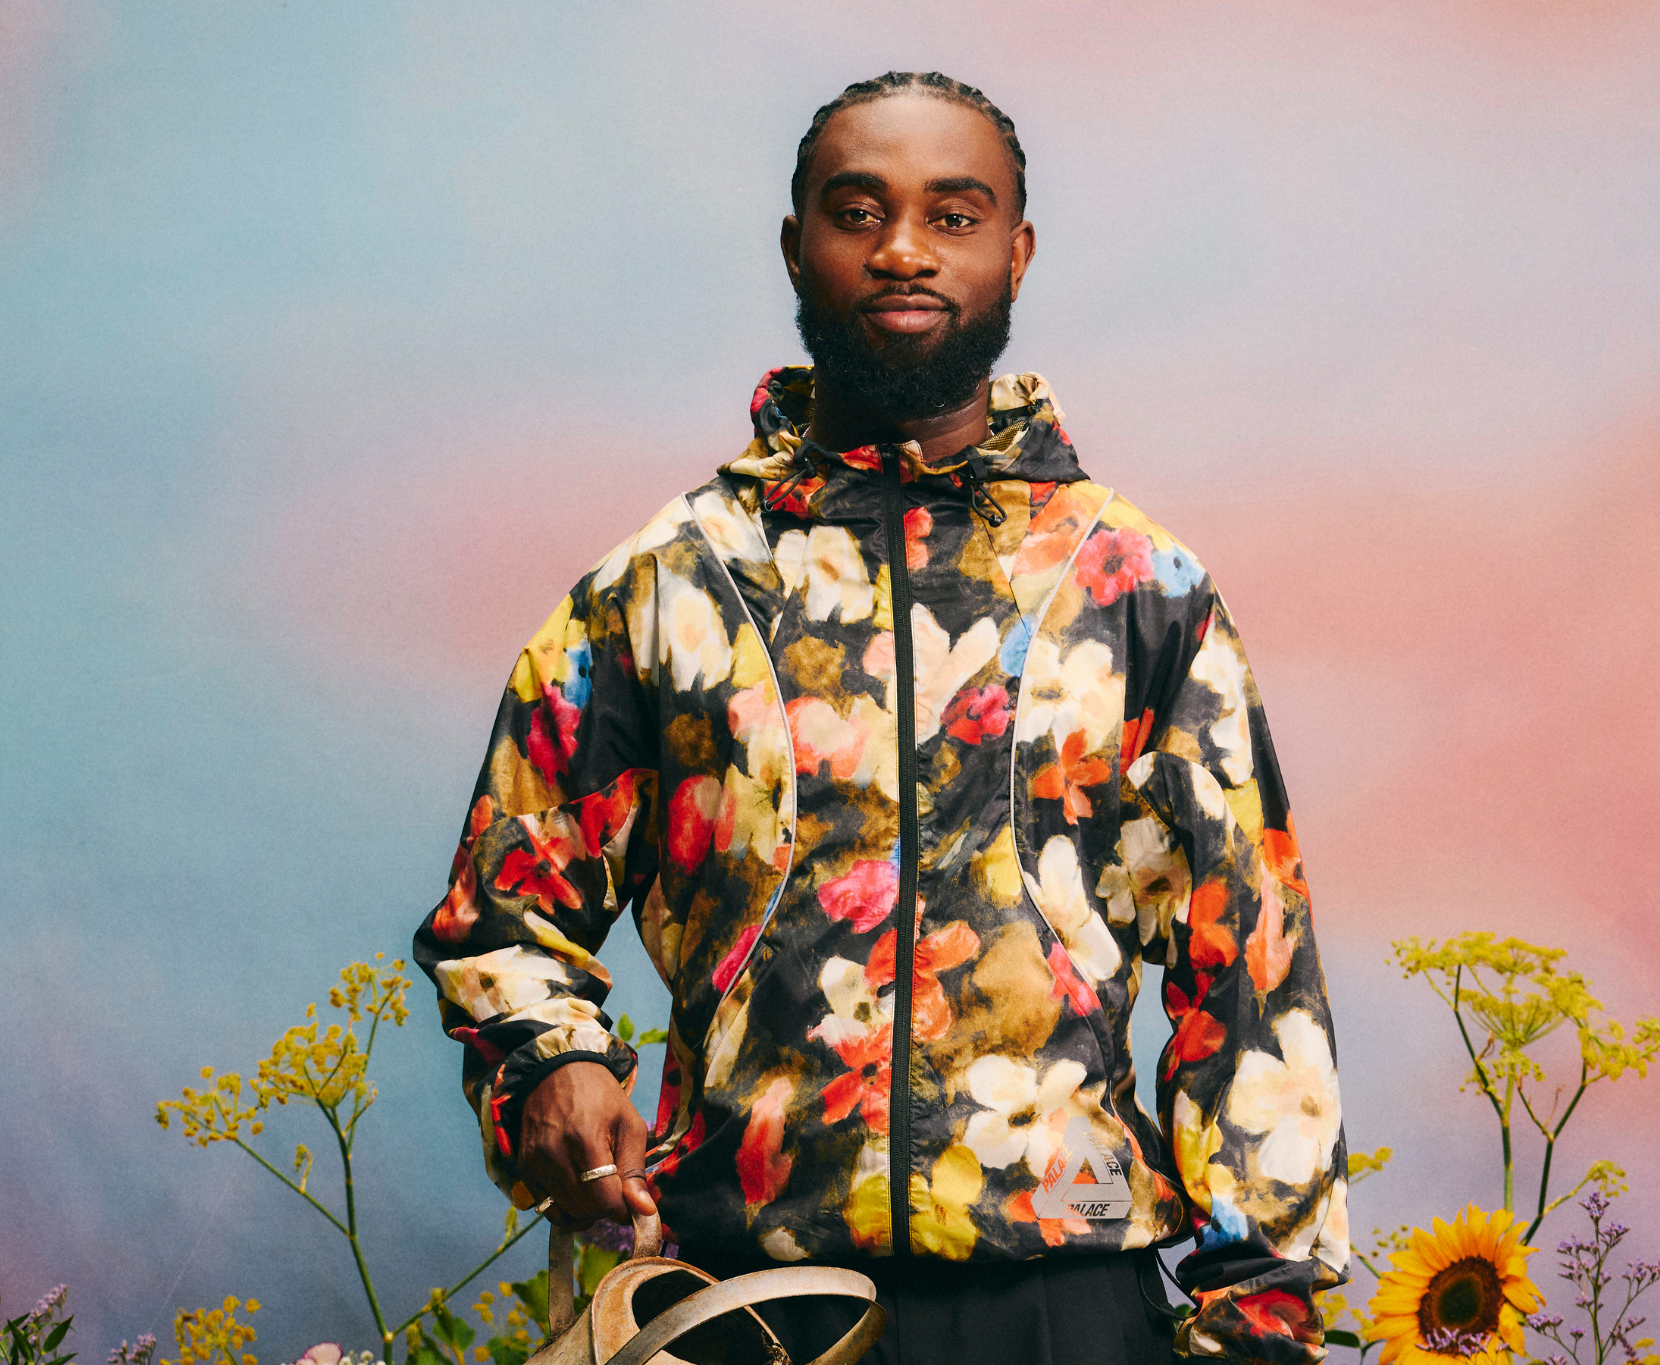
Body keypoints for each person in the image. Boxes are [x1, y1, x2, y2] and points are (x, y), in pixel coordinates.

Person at [413, 71, 1348, 1365]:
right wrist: (545, 1063)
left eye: (953, 215)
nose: (904, 249)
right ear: (794, 246)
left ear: (1016, 252)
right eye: (858, 212)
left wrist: (1262, 1313)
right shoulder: (668, 586)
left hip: (1064, 1299)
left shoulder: (1136, 588)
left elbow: (1247, 966)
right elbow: (505, 910)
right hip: (741, 1297)